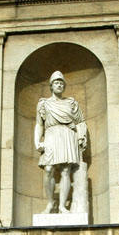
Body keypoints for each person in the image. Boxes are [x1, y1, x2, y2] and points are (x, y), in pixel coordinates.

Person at [34, 71, 87, 214]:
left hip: (67, 135)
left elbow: (81, 122)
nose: (59, 85)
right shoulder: (44, 104)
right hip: (51, 134)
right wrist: (37, 140)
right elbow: (39, 124)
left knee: (65, 171)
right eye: (56, 83)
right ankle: (51, 203)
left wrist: (81, 135)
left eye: (61, 83)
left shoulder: (71, 103)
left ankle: (63, 206)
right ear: (51, 86)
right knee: (49, 169)